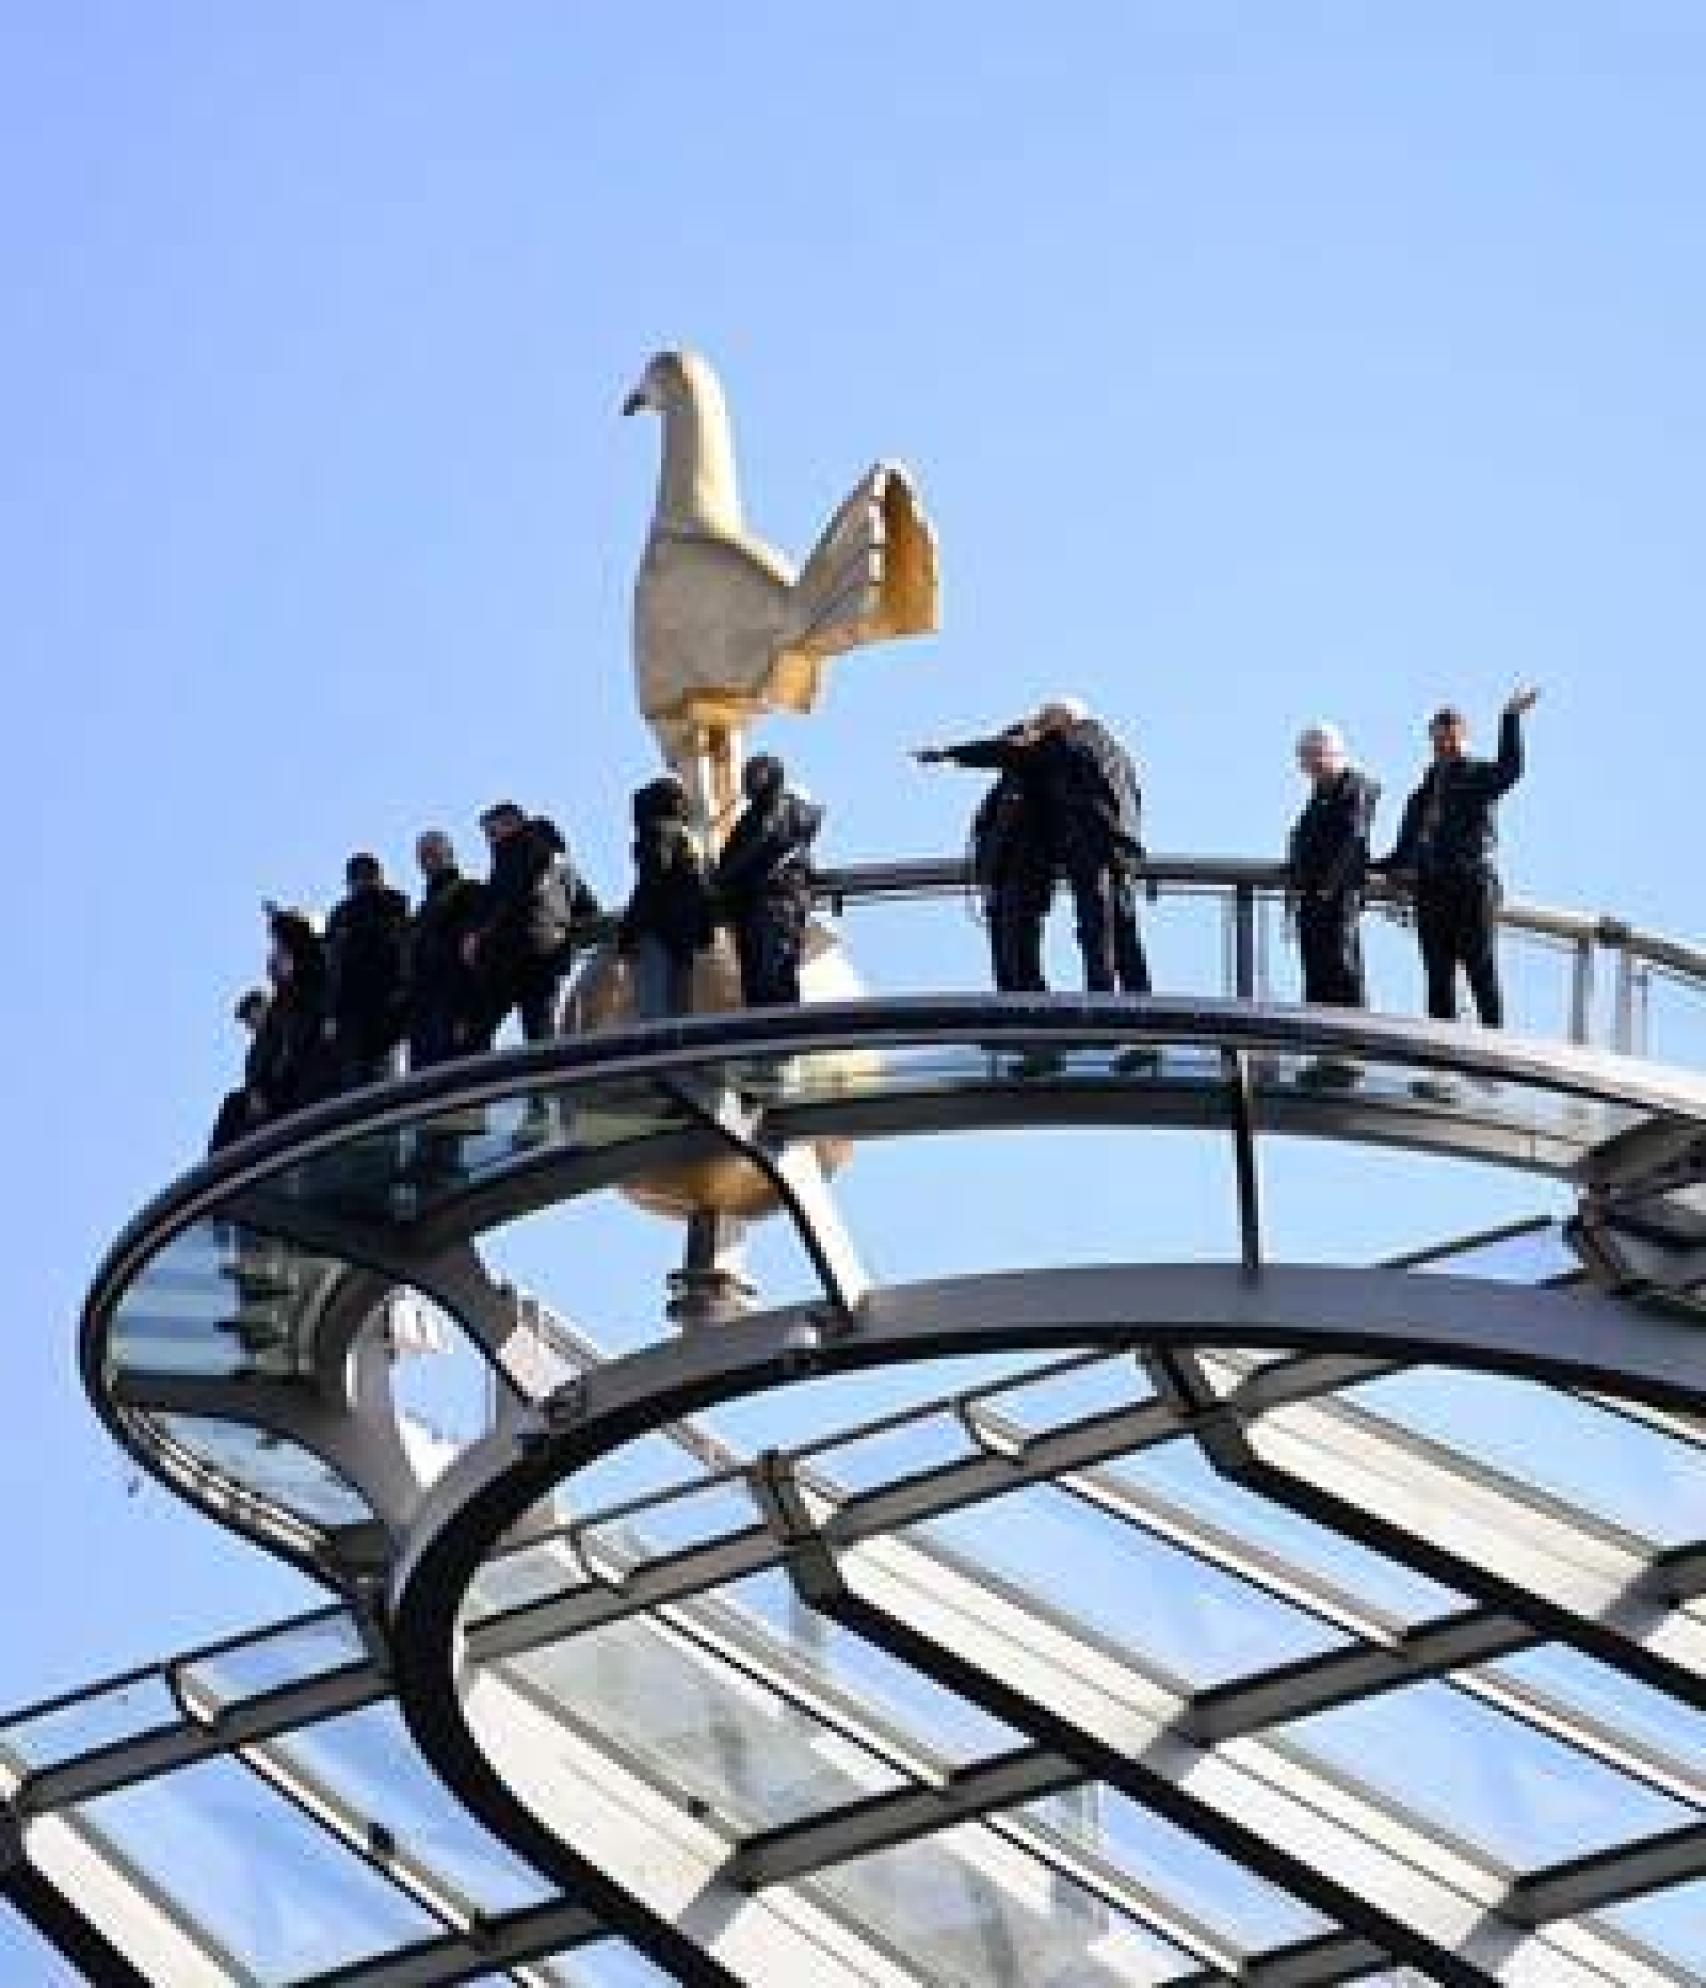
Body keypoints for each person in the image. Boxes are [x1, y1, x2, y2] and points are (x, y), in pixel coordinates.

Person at [1376, 688, 1539, 1028]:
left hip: (1470, 886)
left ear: (1462, 738)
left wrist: (1509, 719)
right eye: (1437, 739)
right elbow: (1402, 853)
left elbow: (1510, 769)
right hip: (1432, 890)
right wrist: (1367, 869)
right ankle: (1440, 1063)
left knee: (1480, 969)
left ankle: (1496, 1050)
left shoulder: (1476, 776)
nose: (1442, 745)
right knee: (1438, 976)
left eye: (1449, 738)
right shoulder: (1421, 796)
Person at [914, 720, 1054, 992]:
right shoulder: (1004, 788)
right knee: (1005, 961)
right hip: (1000, 883)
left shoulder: (1035, 778)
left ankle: (1032, 1017)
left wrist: (947, 754)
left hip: (1024, 878)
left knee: (1022, 957)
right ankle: (1011, 1020)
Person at [1032, 698, 1151, 999]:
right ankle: (1141, 1012)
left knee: (1097, 933)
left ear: (1064, 719)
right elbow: (1128, 800)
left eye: (1046, 721)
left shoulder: (1075, 743)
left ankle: (1103, 1013)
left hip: (1094, 852)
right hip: (1118, 850)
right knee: (1123, 934)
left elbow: (1084, 801)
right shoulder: (1114, 750)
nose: (1041, 728)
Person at [463, 802, 595, 1048]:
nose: (490, 842)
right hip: (550, 952)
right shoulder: (560, 861)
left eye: (492, 833)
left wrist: (477, 934)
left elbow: (506, 897)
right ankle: (547, 1079)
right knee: (539, 1026)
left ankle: (486, 1082)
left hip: (513, 952)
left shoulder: (513, 852)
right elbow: (587, 907)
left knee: (477, 1028)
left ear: (511, 824)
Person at [713, 754, 823, 1006]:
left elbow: (756, 848)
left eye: (753, 776)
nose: (746, 783)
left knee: (771, 974)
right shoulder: (762, 815)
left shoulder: (777, 814)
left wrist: (721, 879)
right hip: (765, 902)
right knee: (763, 974)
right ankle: (771, 1027)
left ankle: (776, 1029)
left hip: (772, 901)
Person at [1287, 723, 1380, 1008]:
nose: (1309, 764)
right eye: (1305, 758)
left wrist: (1330, 886)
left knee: (1342, 966)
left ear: (1331, 754)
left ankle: (1353, 1036)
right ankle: (1320, 1038)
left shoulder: (1354, 788)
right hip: (1312, 893)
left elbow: (1350, 839)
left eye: (1314, 756)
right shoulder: (1320, 792)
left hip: (1337, 895)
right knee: (1316, 969)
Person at [619, 774, 714, 1018]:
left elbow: (651, 881)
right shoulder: (689, 838)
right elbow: (700, 886)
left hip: (658, 930)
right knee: (680, 1004)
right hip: (685, 933)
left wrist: (629, 931)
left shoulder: (656, 831)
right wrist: (704, 930)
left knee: (655, 1005)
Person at [323, 853, 411, 1091]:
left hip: (381, 1003)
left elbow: (403, 952)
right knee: (358, 1076)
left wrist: (402, 992)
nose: (361, 882)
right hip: (354, 1007)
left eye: (365, 876)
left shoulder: (393, 906)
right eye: (357, 877)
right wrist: (331, 1012)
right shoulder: (342, 915)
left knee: (378, 1074)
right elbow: (333, 967)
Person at [405, 830, 487, 1068]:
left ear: (449, 853)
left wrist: (468, 1012)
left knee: (462, 1081)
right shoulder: (422, 911)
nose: (427, 860)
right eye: (422, 855)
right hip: (424, 1013)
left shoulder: (470, 893)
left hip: (455, 1006)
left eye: (432, 852)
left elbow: (474, 958)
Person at [249, 905, 336, 1120]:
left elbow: (305, 943)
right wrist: (258, 1087)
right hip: (290, 1082)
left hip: (318, 1062)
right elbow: (268, 1048)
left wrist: (281, 921)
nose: (276, 964)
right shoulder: (280, 1006)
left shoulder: (313, 972)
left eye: (281, 953)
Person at [208, 987, 271, 1153]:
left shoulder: (283, 1028)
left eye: (251, 1016)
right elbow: (251, 1078)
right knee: (233, 1104)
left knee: (235, 1103)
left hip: (278, 1090)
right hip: (257, 1101)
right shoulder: (255, 1051)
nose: (249, 1024)